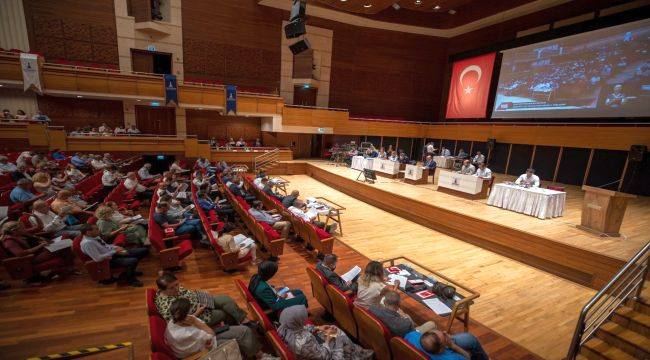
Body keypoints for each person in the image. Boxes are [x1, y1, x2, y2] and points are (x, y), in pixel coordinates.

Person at [155, 272, 263, 358]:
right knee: (224, 313)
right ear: (162, 290)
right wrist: (198, 312)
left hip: (200, 302)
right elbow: (182, 321)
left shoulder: (172, 287)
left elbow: (189, 293)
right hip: (200, 315)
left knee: (225, 299)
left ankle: (243, 320)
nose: (177, 289)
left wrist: (202, 295)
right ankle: (239, 328)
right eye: (172, 288)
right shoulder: (167, 307)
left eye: (177, 285)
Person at [278, 305, 373, 360]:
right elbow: (323, 356)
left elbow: (302, 328)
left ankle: (356, 353)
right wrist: (328, 340)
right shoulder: (303, 344)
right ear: (297, 321)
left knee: (335, 330)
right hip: (323, 355)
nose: (306, 318)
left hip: (313, 349)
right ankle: (359, 355)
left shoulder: (285, 327)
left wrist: (318, 327)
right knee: (339, 336)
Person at [0, 221, 75, 281]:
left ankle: (67, 268)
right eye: (22, 228)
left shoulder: (20, 233)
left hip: (41, 251)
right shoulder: (9, 241)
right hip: (31, 258)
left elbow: (39, 227)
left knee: (65, 242)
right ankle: (68, 268)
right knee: (64, 247)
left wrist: (41, 240)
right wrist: (40, 246)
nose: (24, 229)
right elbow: (20, 254)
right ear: (14, 231)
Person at [79, 223, 147, 286]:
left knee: (143, 251)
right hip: (106, 261)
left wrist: (115, 247)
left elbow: (106, 246)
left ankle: (130, 271)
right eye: (96, 229)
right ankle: (130, 279)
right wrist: (114, 251)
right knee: (133, 260)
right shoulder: (88, 243)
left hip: (112, 253)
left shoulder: (95, 237)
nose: (98, 230)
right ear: (88, 232)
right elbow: (97, 258)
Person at [370, 290, 436, 337]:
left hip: (381, 334)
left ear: (384, 302)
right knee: (432, 324)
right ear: (399, 304)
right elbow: (411, 329)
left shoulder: (372, 308)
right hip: (406, 338)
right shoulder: (405, 323)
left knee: (407, 316)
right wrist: (404, 316)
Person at [405, 329, 489, 360]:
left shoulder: (412, 335)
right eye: (444, 336)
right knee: (470, 339)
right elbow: (468, 357)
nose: (445, 332)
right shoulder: (453, 358)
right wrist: (452, 346)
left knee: (468, 338)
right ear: (441, 349)